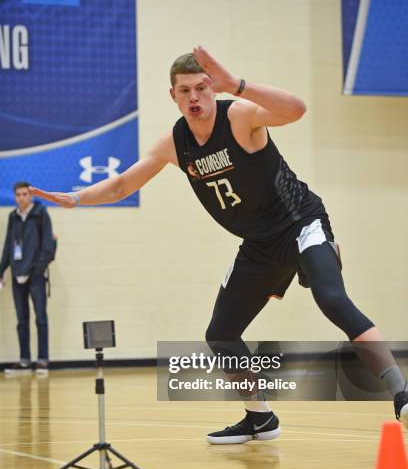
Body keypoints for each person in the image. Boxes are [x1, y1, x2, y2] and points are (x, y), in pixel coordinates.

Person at [30, 46, 408, 437]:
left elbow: (295, 110)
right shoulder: (176, 143)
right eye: (184, 91)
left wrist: (238, 86)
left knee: (332, 300)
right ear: (173, 96)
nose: (194, 97)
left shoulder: (240, 115)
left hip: (300, 223)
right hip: (258, 244)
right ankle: (260, 416)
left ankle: (402, 393)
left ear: (213, 90)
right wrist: (76, 197)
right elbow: (124, 184)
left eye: (201, 88)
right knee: (221, 334)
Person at [0, 182, 54, 373]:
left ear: (30, 196)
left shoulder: (40, 214)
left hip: (36, 276)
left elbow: (48, 246)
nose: (21, 197)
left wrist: (37, 269)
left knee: (40, 318)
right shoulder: (13, 216)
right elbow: (8, 247)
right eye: (18, 195)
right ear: (15, 197)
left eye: (25, 194)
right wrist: (1, 271)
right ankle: (24, 360)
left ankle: (42, 360)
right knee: (22, 320)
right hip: (17, 276)